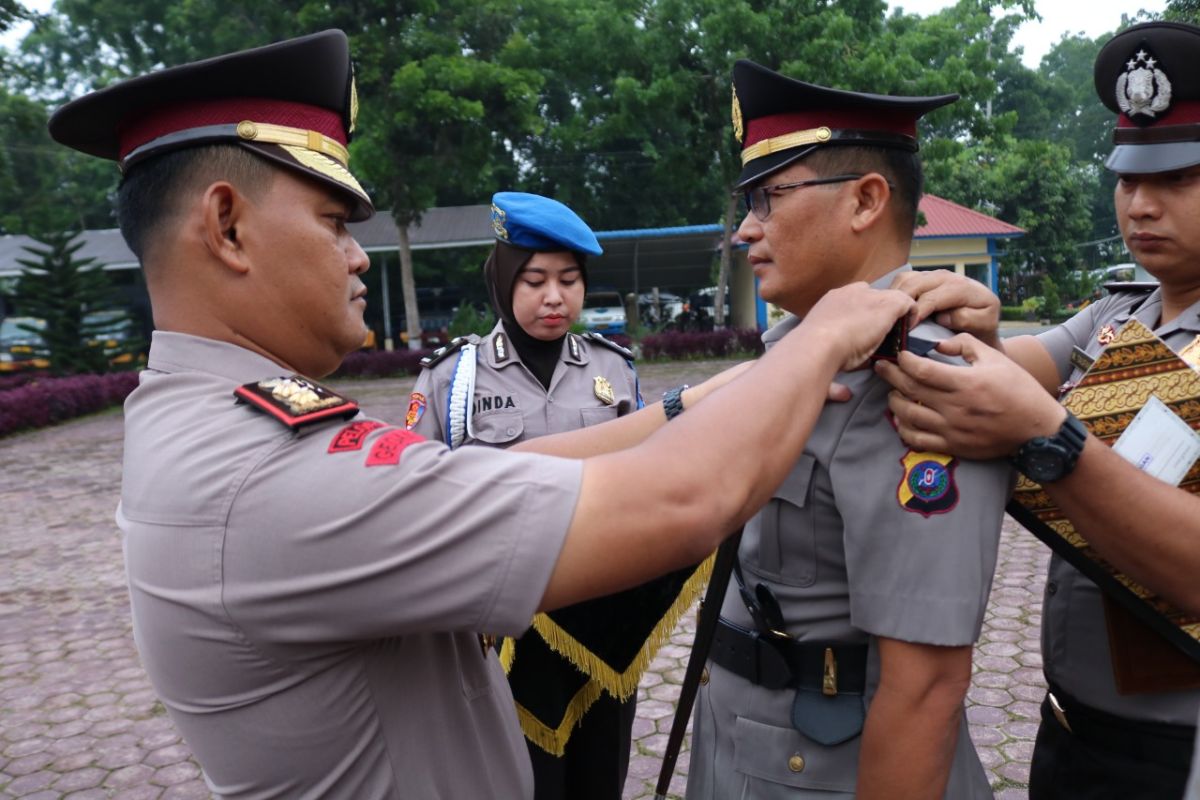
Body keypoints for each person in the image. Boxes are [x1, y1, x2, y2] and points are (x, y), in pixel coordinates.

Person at [46, 30, 918, 799]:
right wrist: (822, 335)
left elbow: (508, 472)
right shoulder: (259, 471)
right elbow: (679, 502)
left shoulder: (216, 426)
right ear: (228, 227)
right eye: (332, 221)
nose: (357, 258)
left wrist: (703, 396)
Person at [877, 20, 1200, 800]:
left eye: (1178, 180)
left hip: (1176, 752)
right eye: (1129, 180)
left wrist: (1050, 438)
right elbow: (1003, 365)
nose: (1141, 205)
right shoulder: (1124, 314)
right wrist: (968, 322)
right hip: (1070, 728)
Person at [684, 60, 1013, 800]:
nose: (746, 230)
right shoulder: (800, 349)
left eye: (769, 198)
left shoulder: (913, 376)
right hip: (747, 740)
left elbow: (924, 686)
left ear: (867, 200)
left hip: (829, 768)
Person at [408, 191, 704, 799]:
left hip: (603, 619)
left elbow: (646, 475)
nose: (555, 297)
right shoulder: (453, 379)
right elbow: (415, 502)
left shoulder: (614, 369)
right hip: (503, 630)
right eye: (536, 279)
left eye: (570, 280)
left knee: (602, 771)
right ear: (503, 279)